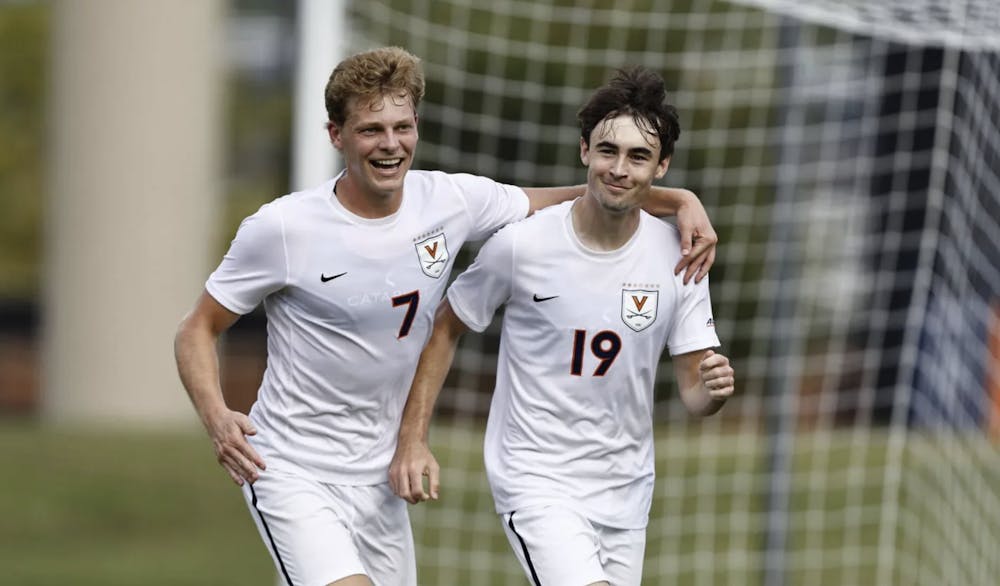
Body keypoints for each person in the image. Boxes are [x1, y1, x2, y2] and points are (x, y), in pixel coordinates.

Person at [174, 47, 718, 586]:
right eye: (370, 130)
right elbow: (197, 328)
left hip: (379, 474)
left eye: (402, 127)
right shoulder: (283, 229)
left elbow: (578, 197)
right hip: (291, 466)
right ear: (336, 135)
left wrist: (678, 200)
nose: (390, 144)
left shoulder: (452, 200)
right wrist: (218, 417)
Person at [389, 65, 735, 586]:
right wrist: (412, 439)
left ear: (662, 167)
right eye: (608, 151)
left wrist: (714, 391)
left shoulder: (680, 256)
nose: (619, 168)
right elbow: (444, 326)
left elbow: (693, 392)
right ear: (584, 152)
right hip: (536, 478)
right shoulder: (522, 245)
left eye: (638, 156)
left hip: (627, 488)